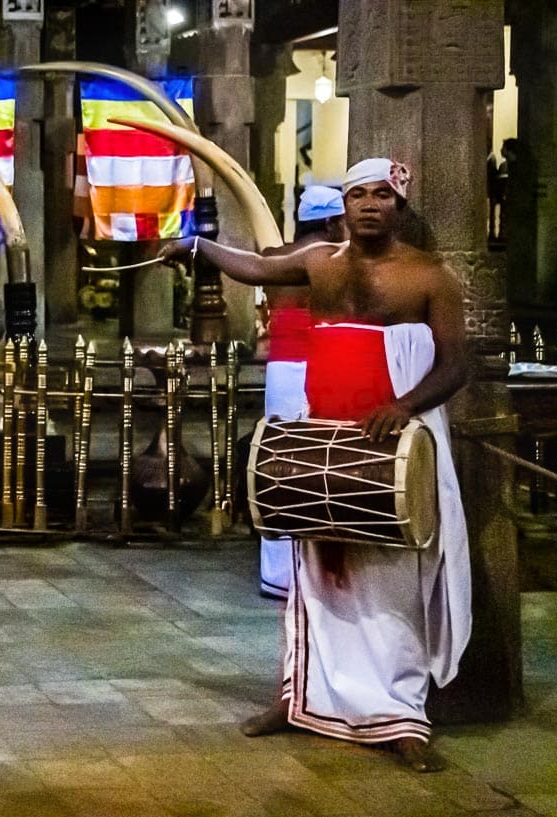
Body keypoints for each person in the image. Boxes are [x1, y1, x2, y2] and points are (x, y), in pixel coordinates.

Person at [162, 158, 471, 772]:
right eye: (357, 195)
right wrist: (197, 246)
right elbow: (255, 267)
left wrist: (404, 406)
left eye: (382, 195)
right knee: (316, 569)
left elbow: (457, 365)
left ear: (399, 206)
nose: (368, 206)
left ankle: (403, 717)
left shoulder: (429, 276)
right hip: (323, 428)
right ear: (344, 206)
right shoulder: (317, 261)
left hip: (388, 435)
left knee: (394, 580)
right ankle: (299, 698)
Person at [256, 185, 347, 599]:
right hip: (316, 366)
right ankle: (306, 574)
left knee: (278, 463)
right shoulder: (331, 260)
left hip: (278, 370)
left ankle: (276, 573)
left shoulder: (275, 256)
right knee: (315, 464)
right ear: (331, 222)